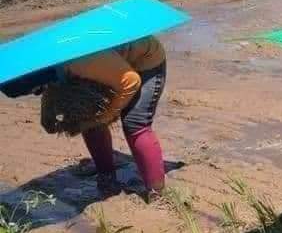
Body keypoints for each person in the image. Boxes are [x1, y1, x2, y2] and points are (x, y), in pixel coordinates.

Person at [2, 37, 168, 200]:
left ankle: (156, 190)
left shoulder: (78, 61)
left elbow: (131, 81)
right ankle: (106, 175)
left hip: (144, 61)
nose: (37, 93)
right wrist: (47, 116)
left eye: (35, 91)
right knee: (86, 119)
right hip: (107, 65)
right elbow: (49, 85)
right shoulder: (44, 62)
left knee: (134, 123)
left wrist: (106, 116)